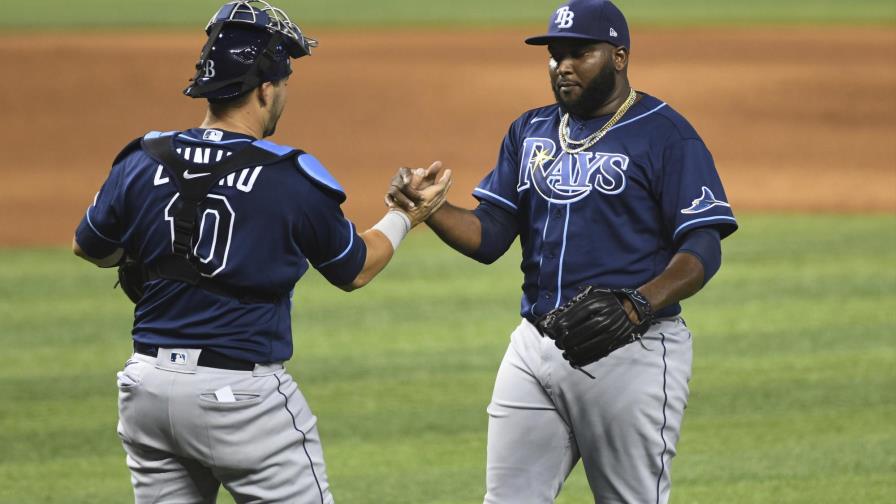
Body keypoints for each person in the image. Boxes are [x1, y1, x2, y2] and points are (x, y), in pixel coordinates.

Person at [72, 1, 450, 502]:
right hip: (239, 400)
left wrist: (146, 258)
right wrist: (405, 215)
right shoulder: (288, 176)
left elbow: (90, 247)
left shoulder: (142, 158)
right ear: (265, 89)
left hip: (145, 388)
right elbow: (355, 268)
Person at [387, 0, 737, 502]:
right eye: (556, 54)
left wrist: (637, 304)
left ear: (619, 56)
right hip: (535, 348)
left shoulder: (666, 134)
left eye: (580, 53)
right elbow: (490, 235)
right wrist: (434, 210)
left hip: (631, 351)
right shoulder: (529, 129)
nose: (563, 66)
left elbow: (703, 243)